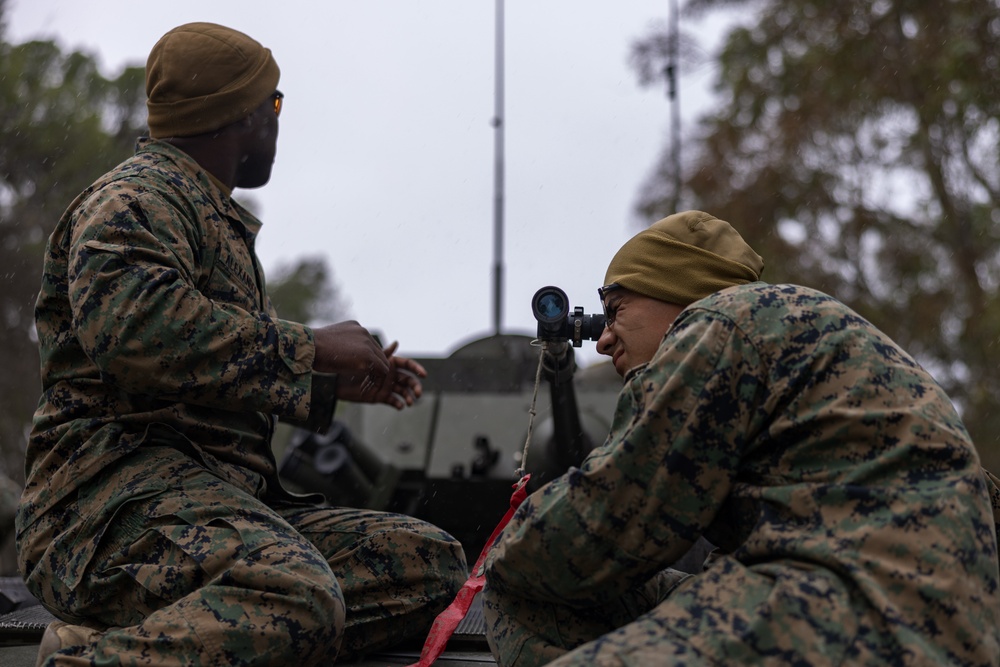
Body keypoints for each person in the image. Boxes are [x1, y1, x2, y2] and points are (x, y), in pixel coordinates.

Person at [17, 22, 466, 666]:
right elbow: (135, 330)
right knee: (300, 596)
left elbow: (206, 366)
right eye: (275, 103)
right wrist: (312, 347)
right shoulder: (134, 200)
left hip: (208, 506)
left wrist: (325, 381)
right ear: (241, 116)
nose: (279, 121)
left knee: (427, 563)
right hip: (105, 514)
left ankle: (169, 639)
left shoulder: (202, 212)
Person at [483, 210, 1000, 666]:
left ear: (676, 292)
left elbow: (616, 514)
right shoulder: (802, 331)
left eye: (616, 310)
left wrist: (501, 555)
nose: (603, 338)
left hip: (850, 615)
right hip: (928, 615)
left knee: (521, 579)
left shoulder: (717, 325)